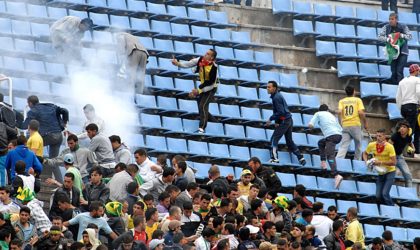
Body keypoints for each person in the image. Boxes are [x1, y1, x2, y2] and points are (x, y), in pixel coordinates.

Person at [171, 49, 219, 133]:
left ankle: (202, 128)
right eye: (206, 53)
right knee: (202, 107)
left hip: (211, 88)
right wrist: (178, 63)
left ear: (212, 57)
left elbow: (211, 84)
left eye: (207, 54)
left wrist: (198, 91)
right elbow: (189, 64)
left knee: (202, 106)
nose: (205, 55)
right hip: (203, 86)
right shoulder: (200, 60)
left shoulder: (214, 68)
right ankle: (215, 123)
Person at [265, 81, 306, 165]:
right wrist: (277, 121)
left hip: (284, 121)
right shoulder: (276, 96)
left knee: (273, 139)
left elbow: (281, 112)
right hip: (288, 120)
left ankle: (274, 158)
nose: (267, 88)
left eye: (269, 87)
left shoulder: (276, 97)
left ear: (274, 88)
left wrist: (271, 119)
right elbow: (278, 110)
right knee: (289, 141)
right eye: (267, 87)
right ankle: (300, 157)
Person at [309, 104, 343, 189]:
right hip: (338, 135)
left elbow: (311, 124)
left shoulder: (318, 113)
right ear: (327, 110)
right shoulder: (331, 115)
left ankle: (336, 175)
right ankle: (323, 162)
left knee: (330, 156)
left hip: (331, 136)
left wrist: (310, 127)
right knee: (321, 143)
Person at [363, 129, 396, 205]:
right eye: (376, 136)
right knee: (378, 196)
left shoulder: (390, 147)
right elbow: (364, 153)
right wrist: (366, 162)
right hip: (380, 173)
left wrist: (380, 162)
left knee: (385, 193)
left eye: (380, 136)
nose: (378, 138)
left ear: (384, 136)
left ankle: (392, 207)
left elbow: (394, 162)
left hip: (390, 172)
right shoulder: (372, 145)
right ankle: (384, 208)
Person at [378, 13, 412, 85]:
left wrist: (401, 35)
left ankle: (401, 87)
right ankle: (394, 86)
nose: (390, 21)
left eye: (392, 19)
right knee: (393, 71)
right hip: (392, 51)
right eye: (389, 19)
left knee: (399, 71)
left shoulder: (403, 26)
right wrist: (388, 39)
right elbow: (379, 37)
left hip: (403, 52)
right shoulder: (386, 27)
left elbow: (410, 36)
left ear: (396, 19)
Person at [336, 86, 368, 160]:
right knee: (358, 145)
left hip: (345, 125)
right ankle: (357, 162)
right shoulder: (357, 100)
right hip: (355, 125)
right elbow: (361, 113)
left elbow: (339, 112)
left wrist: (340, 122)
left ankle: (338, 162)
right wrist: (365, 123)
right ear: (354, 91)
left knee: (343, 146)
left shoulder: (342, 101)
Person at [396, 64, 420, 156]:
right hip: (413, 106)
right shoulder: (417, 80)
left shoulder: (402, 81)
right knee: (409, 130)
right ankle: (403, 149)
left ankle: (417, 151)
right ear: (415, 71)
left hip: (404, 106)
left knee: (416, 128)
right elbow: (418, 92)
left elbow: (398, 96)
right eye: (418, 70)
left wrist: (400, 108)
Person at [388, 120, 414, 187]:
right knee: (391, 176)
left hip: (399, 157)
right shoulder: (395, 135)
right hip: (391, 157)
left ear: (408, 130)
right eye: (401, 127)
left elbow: (411, 143)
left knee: (408, 175)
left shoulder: (409, 137)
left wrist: (413, 149)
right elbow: (388, 146)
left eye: (404, 127)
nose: (402, 128)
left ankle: (409, 193)